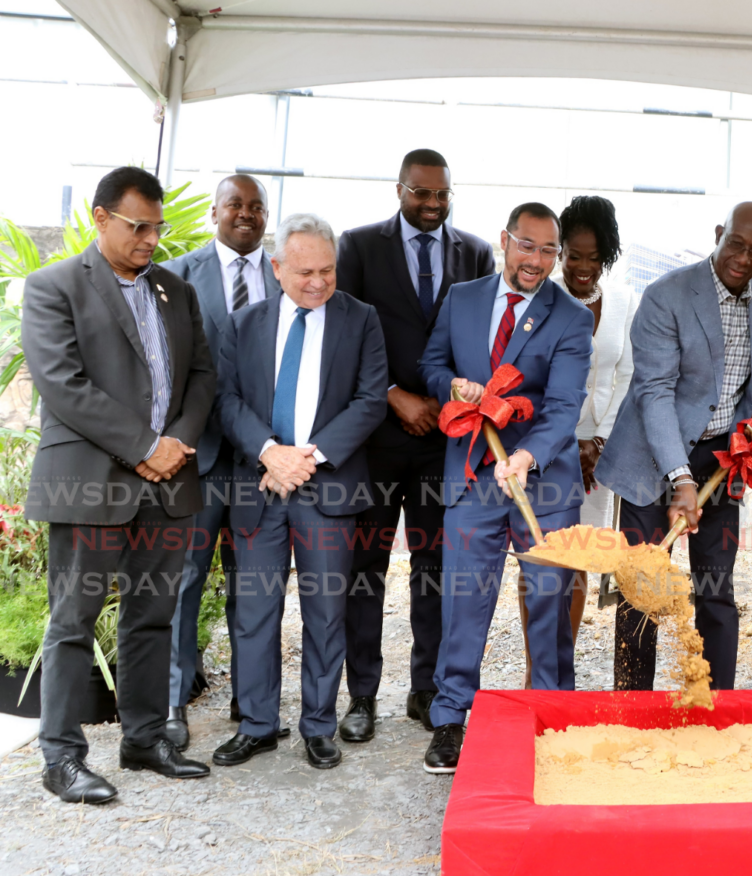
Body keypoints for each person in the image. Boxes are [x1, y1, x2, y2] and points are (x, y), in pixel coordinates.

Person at [21, 166, 216, 803]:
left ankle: (143, 739)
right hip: (90, 483)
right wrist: (144, 448)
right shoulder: (53, 287)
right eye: (139, 226)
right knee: (73, 620)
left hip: (167, 484)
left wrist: (174, 447)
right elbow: (62, 385)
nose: (152, 238)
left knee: (152, 616)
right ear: (101, 218)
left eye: (158, 227)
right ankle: (61, 757)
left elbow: (202, 377)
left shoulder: (174, 289)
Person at [418, 202, 593, 773]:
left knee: (547, 597)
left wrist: (525, 454)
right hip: (472, 471)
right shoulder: (463, 298)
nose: (537, 261)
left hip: (539, 477)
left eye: (549, 250)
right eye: (527, 246)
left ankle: (551, 712)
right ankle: (449, 720)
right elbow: (431, 363)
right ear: (505, 240)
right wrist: (455, 387)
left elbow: (565, 404)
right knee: (465, 598)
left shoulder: (570, 316)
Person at [212, 214, 388, 770]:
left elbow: (369, 401)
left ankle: (318, 725)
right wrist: (269, 453)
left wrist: (303, 459)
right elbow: (227, 400)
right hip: (259, 488)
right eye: (305, 271)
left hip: (326, 490)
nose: (318, 282)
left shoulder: (361, 320)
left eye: (327, 271)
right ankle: (259, 724)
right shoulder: (244, 324)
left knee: (326, 612)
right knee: (255, 612)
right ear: (277, 267)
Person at [335, 149, 495, 742]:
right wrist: (393, 396)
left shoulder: (477, 253)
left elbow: (476, 344)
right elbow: (343, 338)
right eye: (420, 193)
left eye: (441, 195)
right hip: (375, 438)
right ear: (398, 187)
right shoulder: (357, 247)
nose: (431, 204)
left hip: (444, 442)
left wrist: (444, 402)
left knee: (437, 568)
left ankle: (427, 688)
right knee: (366, 570)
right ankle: (361, 695)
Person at [595, 202, 752, 692]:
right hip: (652, 459)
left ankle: (710, 702)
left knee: (715, 588)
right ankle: (633, 705)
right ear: (719, 234)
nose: (745, 257)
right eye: (736, 243)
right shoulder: (665, 295)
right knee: (645, 587)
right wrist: (679, 478)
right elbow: (653, 392)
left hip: (721, 461)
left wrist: (751, 424)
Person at [162, 174, 281, 750]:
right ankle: (173, 702)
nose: (246, 214)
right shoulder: (180, 275)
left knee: (254, 585)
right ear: (214, 211)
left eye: (257, 207)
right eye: (235, 204)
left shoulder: (284, 278)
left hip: (262, 459)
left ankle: (250, 699)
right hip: (200, 459)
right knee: (185, 581)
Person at [518, 195, 636, 685]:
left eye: (595, 257)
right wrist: (567, 441)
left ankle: (559, 670)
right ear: (560, 252)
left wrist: (600, 442)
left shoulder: (627, 303)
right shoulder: (541, 300)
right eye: (574, 256)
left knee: (579, 564)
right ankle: (533, 670)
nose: (583, 267)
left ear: (606, 256)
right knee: (542, 562)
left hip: (601, 456)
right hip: (545, 449)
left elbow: (628, 374)